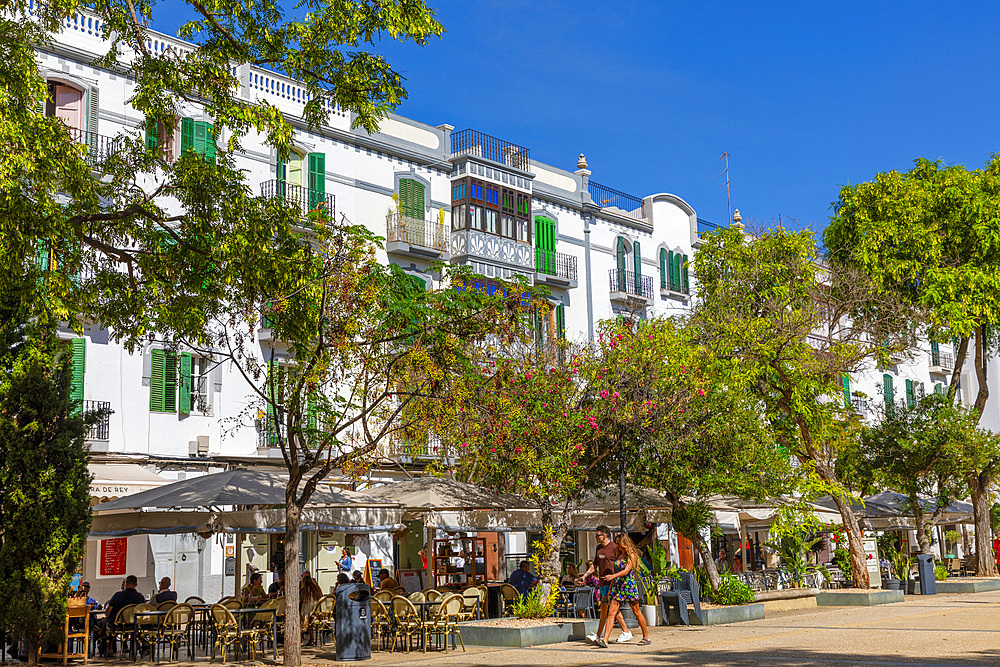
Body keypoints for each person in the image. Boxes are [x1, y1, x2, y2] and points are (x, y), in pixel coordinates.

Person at [597, 533, 650, 648]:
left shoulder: (631, 555)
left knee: (636, 611)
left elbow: (626, 571)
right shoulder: (619, 554)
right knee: (611, 612)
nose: (617, 546)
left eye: (618, 543)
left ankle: (646, 637)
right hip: (617, 586)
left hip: (628, 586)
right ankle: (605, 640)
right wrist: (611, 584)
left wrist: (612, 576)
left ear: (624, 543)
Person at [582, 525, 629, 645]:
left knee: (606, 609)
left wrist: (616, 577)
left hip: (612, 582)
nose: (596, 537)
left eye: (597, 535)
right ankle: (626, 631)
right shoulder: (598, 548)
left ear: (604, 535)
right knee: (611, 610)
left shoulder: (614, 547)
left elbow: (620, 563)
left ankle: (600, 636)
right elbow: (594, 565)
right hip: (602, 582)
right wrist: (585, 575)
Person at [103, 575, 147, 654]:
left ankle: (109, 648)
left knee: (106, 624)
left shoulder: (117, 595)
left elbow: (108, 612)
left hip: (118, 625)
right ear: (136, 585)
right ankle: (136, 646)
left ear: (126, 584)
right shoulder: (140, 597)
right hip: (135, 625)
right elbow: (143, 612)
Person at [300, 571, 324, 647]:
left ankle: (300, 640)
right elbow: (321, 596)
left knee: (299, 617)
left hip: (308, 614)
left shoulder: (303, 590)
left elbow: (299, 600)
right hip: (317, 613)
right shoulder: (317, 589)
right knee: (308, 617)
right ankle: (312, 639)